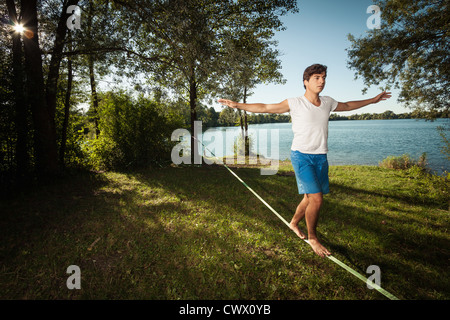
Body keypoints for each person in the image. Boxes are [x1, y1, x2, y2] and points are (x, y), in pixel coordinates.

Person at [218, 63, 391, 257]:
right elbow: (266, 107)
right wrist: (237, 105)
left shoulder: (328, 102)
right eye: (317, 77)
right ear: (305, 82)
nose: (322, 81)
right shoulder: (295, 103)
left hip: (321, 156)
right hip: (301, 156)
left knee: (309, 197)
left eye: (324, 77)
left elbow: (349, 105)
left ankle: (293, 223)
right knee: (316, 198)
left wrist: (373, 101)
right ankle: (313, 238)